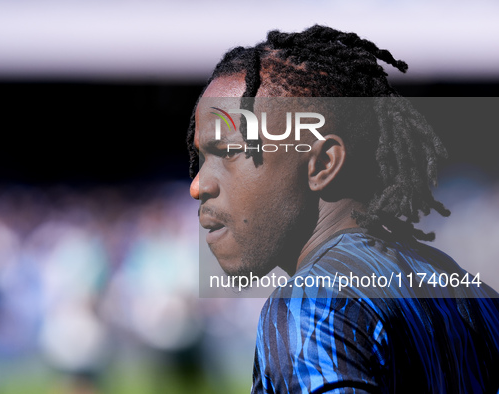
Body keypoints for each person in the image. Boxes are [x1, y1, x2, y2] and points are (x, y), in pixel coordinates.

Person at [187, 25, 499, 393]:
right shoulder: (473, 296)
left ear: (322, 164)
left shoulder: (313, 307)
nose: (198, 186)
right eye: (200, 158)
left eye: (229, 152)